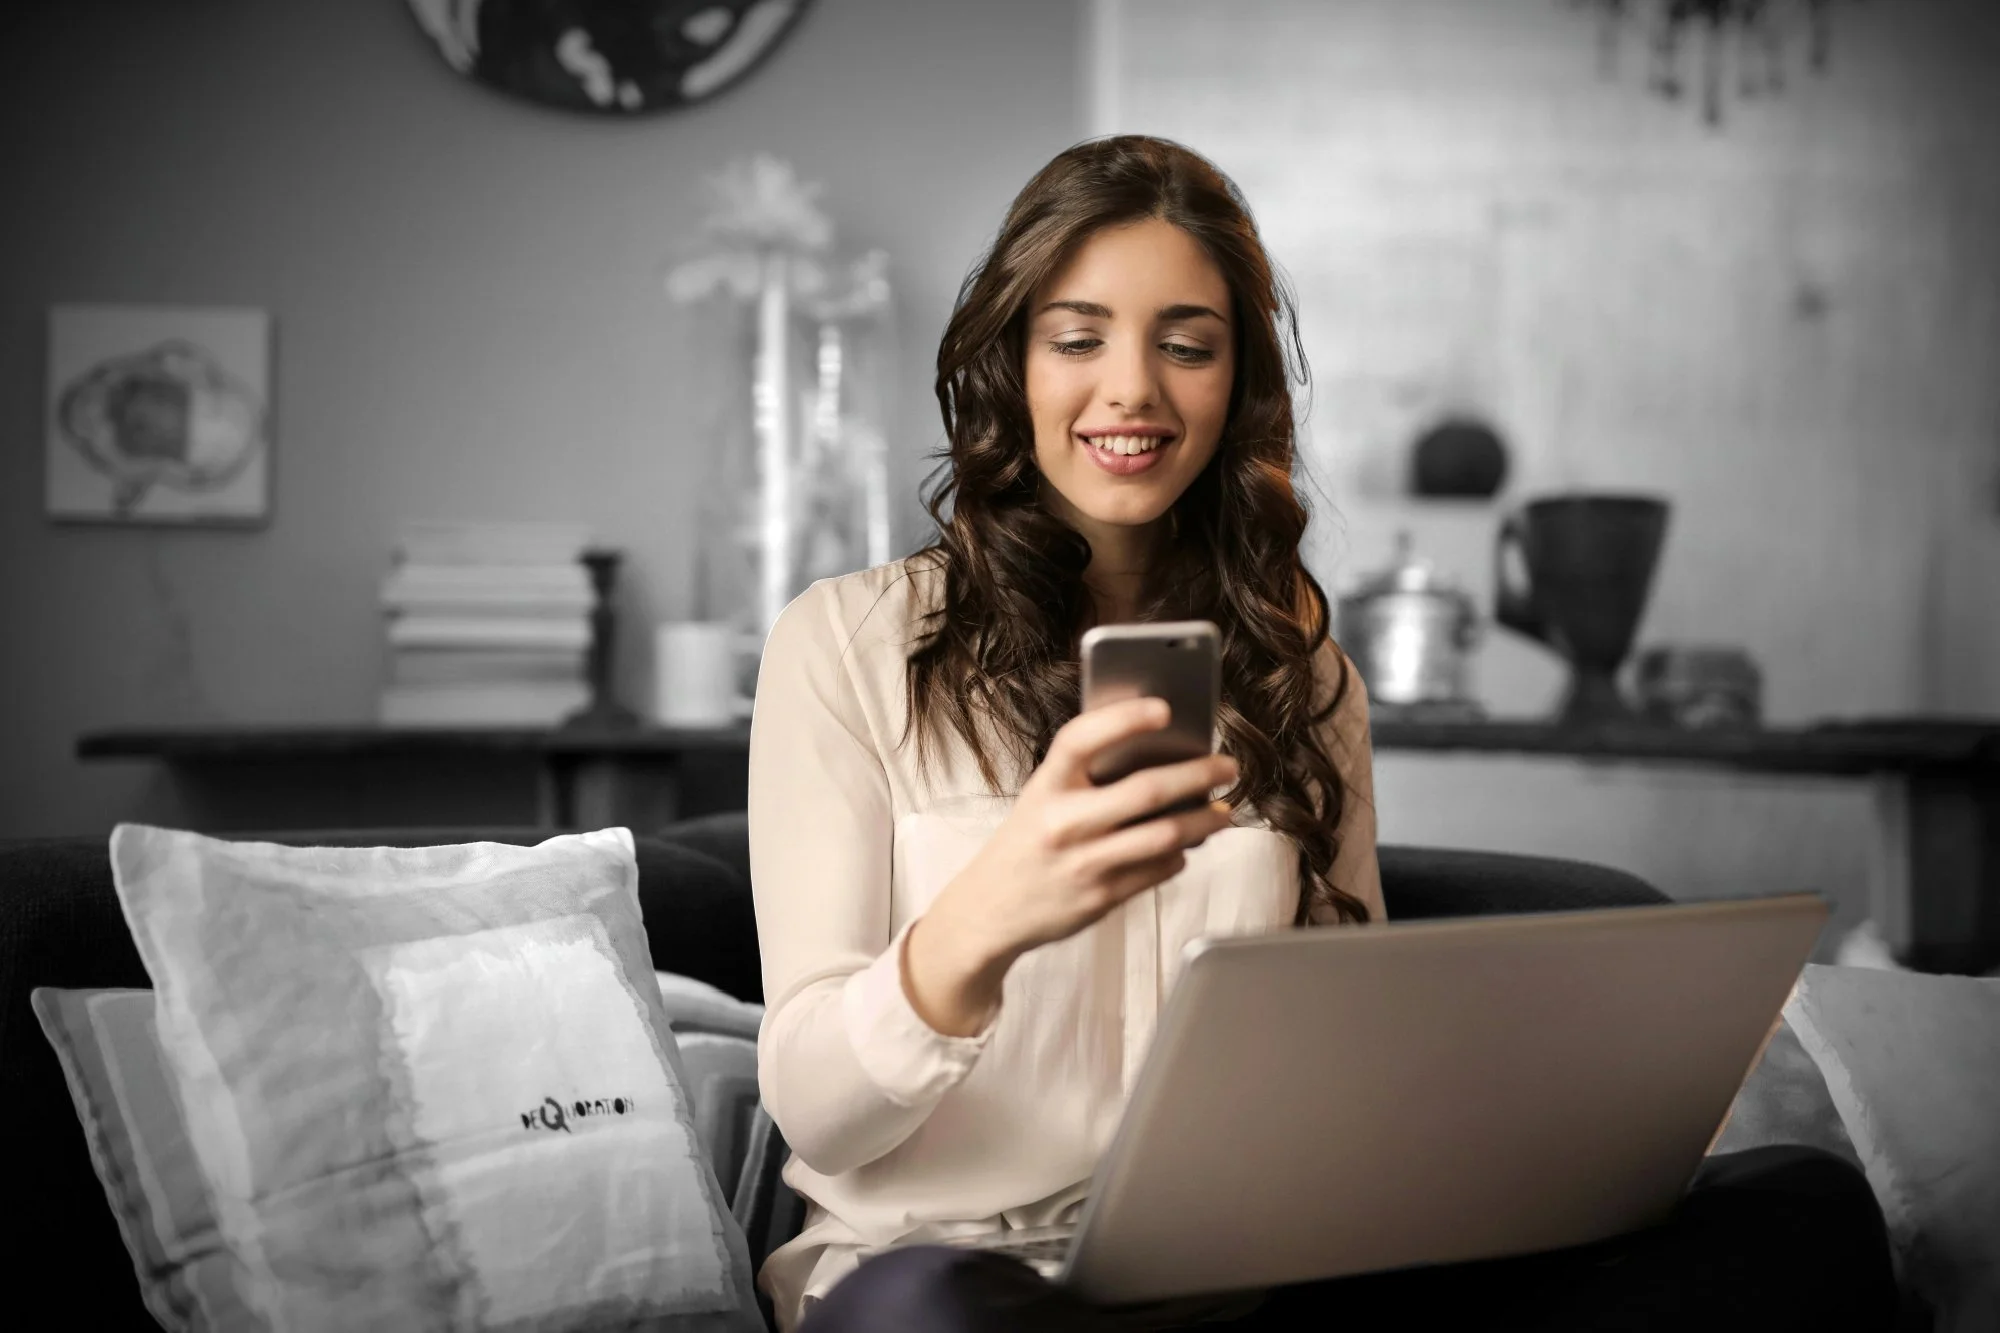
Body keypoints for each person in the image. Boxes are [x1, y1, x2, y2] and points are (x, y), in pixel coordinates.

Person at [745, 135, 1898, 1332]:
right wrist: (988, 917)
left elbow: (1345, 1054)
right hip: (947, 1275)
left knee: (1800, 1211)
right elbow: (817, 1109)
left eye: (1184, 345)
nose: (1132, 389)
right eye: (1077, 339)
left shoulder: (1303, 679)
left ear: (1235, 383)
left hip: (1243, 1275)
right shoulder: (846, 646)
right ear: (1010, 367)